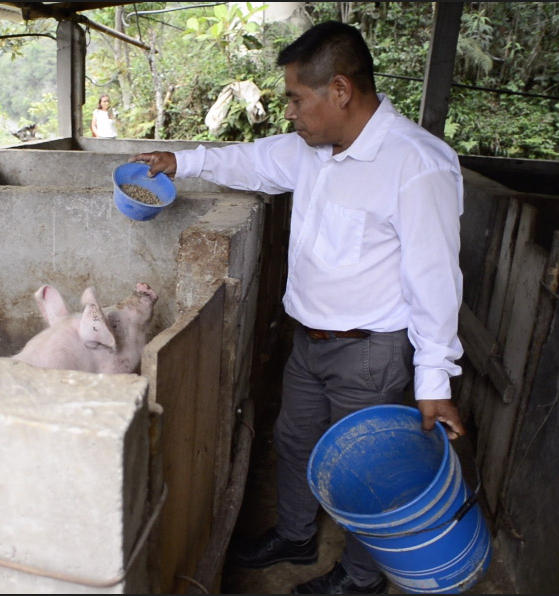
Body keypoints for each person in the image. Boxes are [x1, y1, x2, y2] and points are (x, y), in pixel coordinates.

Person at [130, 21, 466, 595]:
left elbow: (435, 278)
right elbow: (248, 161)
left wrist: (434, 379)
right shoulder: (312, 150)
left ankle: (360, 579)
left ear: (340, 91)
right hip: (307, 342)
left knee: (367, 473)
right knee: (294, 441)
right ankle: (295, 535)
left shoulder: (417, 164)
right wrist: (178, 163)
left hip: (370, 354)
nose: (287, 110)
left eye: (294, 97)